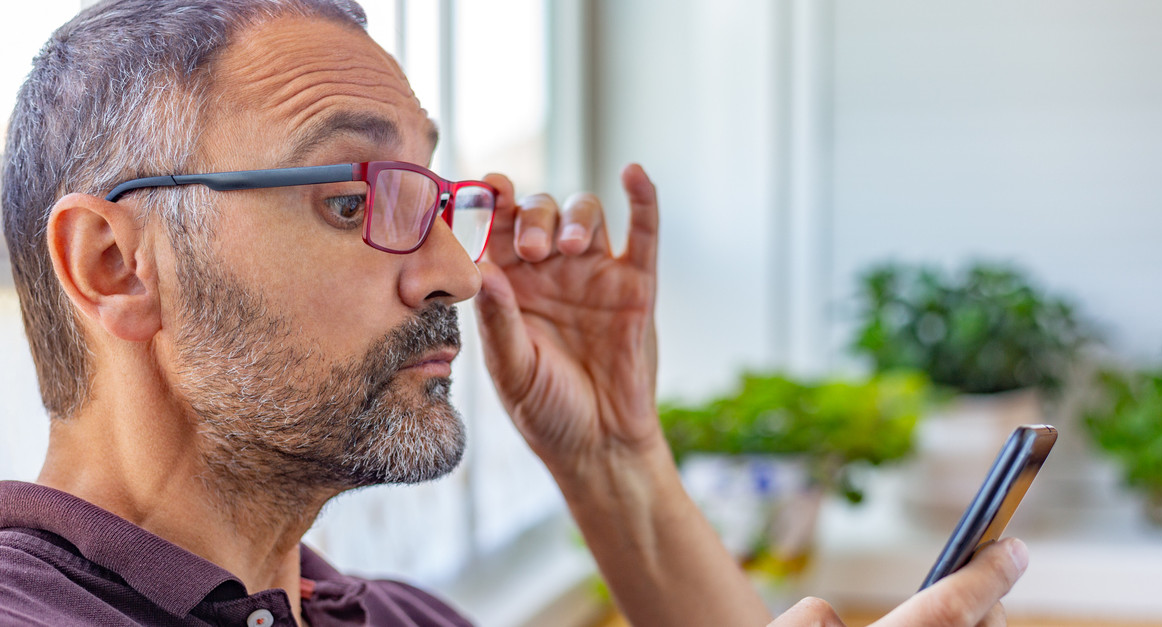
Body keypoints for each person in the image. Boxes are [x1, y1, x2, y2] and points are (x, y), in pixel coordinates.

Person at [0, 1, 1027, 625]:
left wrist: (612, 458)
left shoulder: (404, 619)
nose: (455, 269)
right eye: (353, 200)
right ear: (113, 265)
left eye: (436, 196)